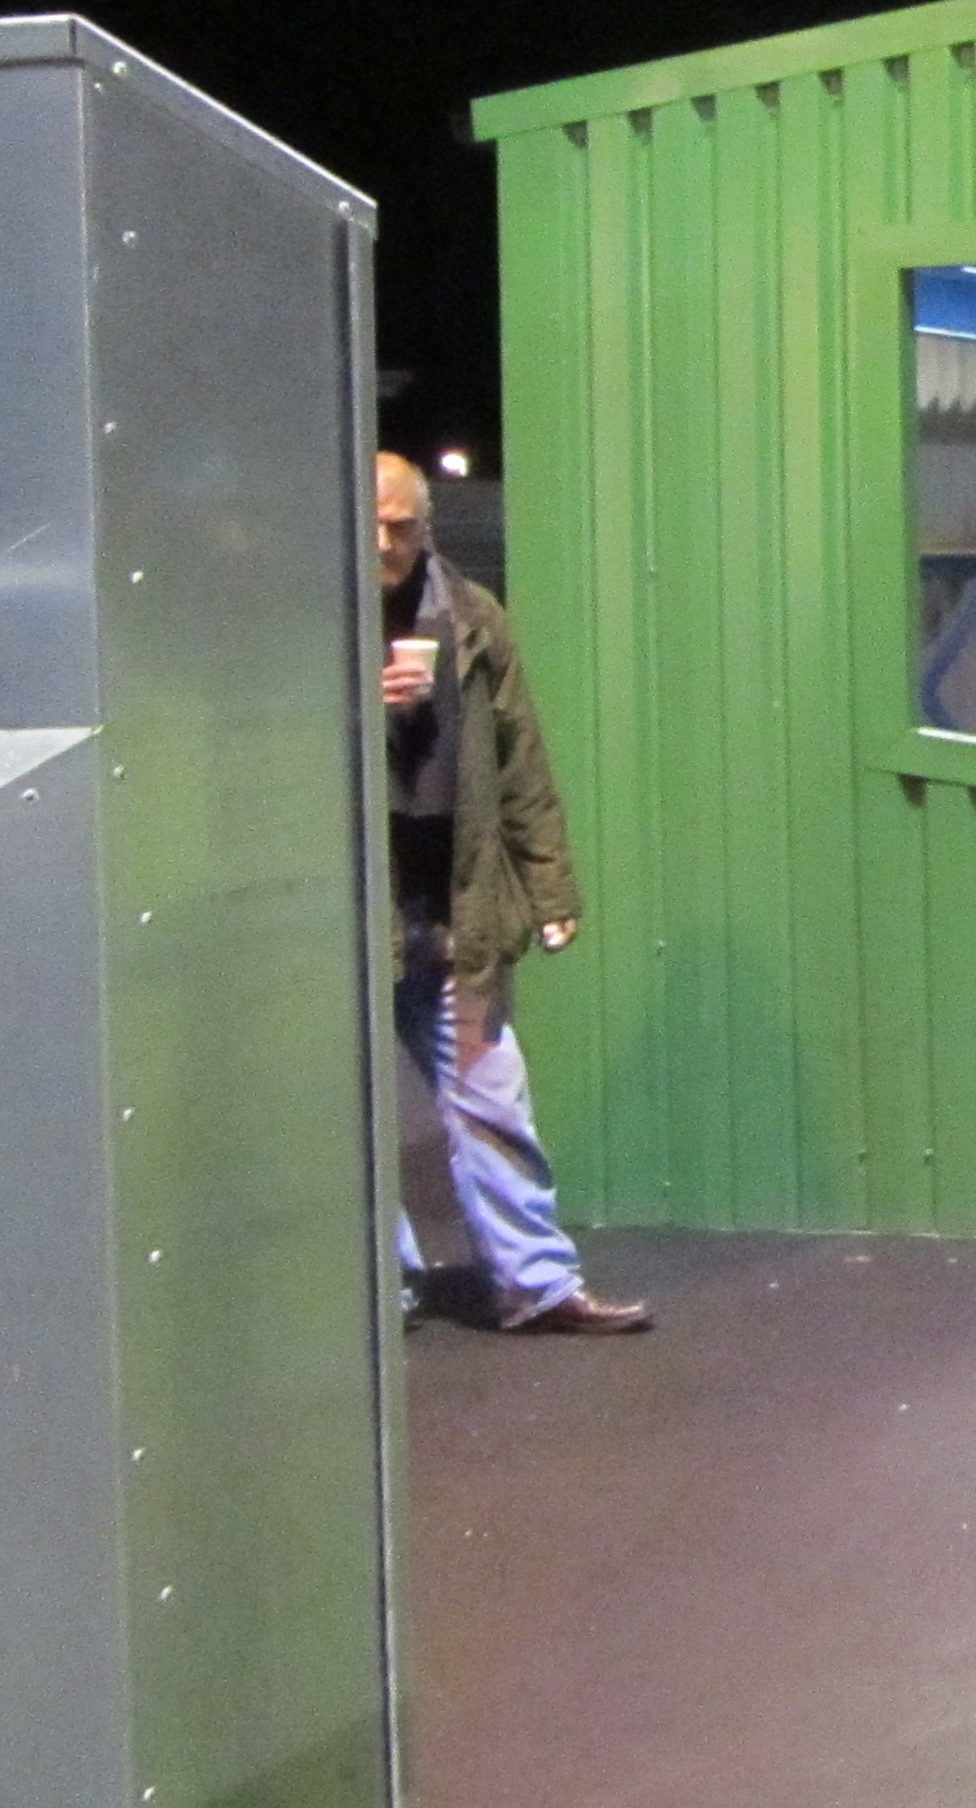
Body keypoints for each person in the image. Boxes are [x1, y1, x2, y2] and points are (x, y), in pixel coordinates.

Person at [376, 452, 652, 1334]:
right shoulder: (308, 621)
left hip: (457, 905)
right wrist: (358, 705)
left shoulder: (469, 614)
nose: (385, 543)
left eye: (401, 526)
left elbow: (519, 759)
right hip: (353, 912)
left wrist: (549, 887)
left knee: (493, 1098)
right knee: (345, 1114)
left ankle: (536, 1283)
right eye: (370, 525)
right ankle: (381, 1285)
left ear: (427, 525)